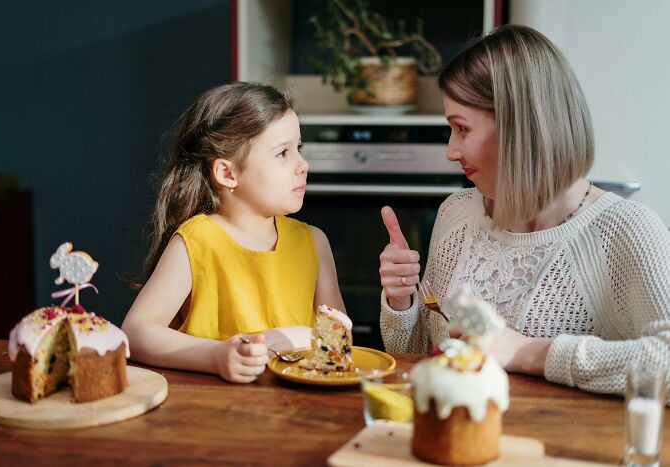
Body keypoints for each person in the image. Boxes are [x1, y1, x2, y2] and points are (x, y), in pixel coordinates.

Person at [378, 25, 670, 399]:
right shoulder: (456, 214)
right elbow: (420, 360)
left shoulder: (627, 231)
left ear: (520, 128)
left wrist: (529, 353)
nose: (451, 151)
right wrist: (401, 302)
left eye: (461, 129)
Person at [123, 82, 344, 383]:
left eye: (298, 149)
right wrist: (216, 356)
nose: (302, 164)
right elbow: (135, 333)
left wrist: (296, 336)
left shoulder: (314, 242)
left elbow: (339, 338)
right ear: (228, 173)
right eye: (282, 153)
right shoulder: (196, 241)